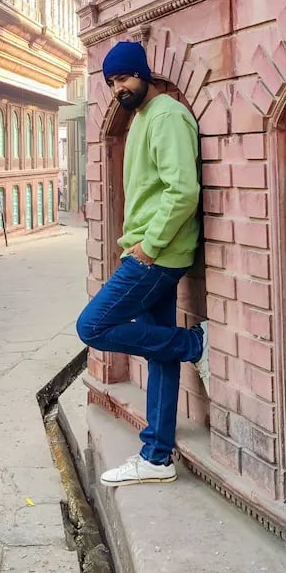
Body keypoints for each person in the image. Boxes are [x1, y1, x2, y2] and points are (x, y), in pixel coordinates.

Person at [76, 40, 209, 486]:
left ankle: (194, 345)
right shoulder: (141, 119)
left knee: (91, 327)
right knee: (159, 352)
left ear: (144, 74)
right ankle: (157, 456)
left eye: (125, 78)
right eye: (112, 82)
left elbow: (183, 191)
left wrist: (149, 246)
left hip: (156, 256)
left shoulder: (167, 116)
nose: (118, 88)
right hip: (152, 251)